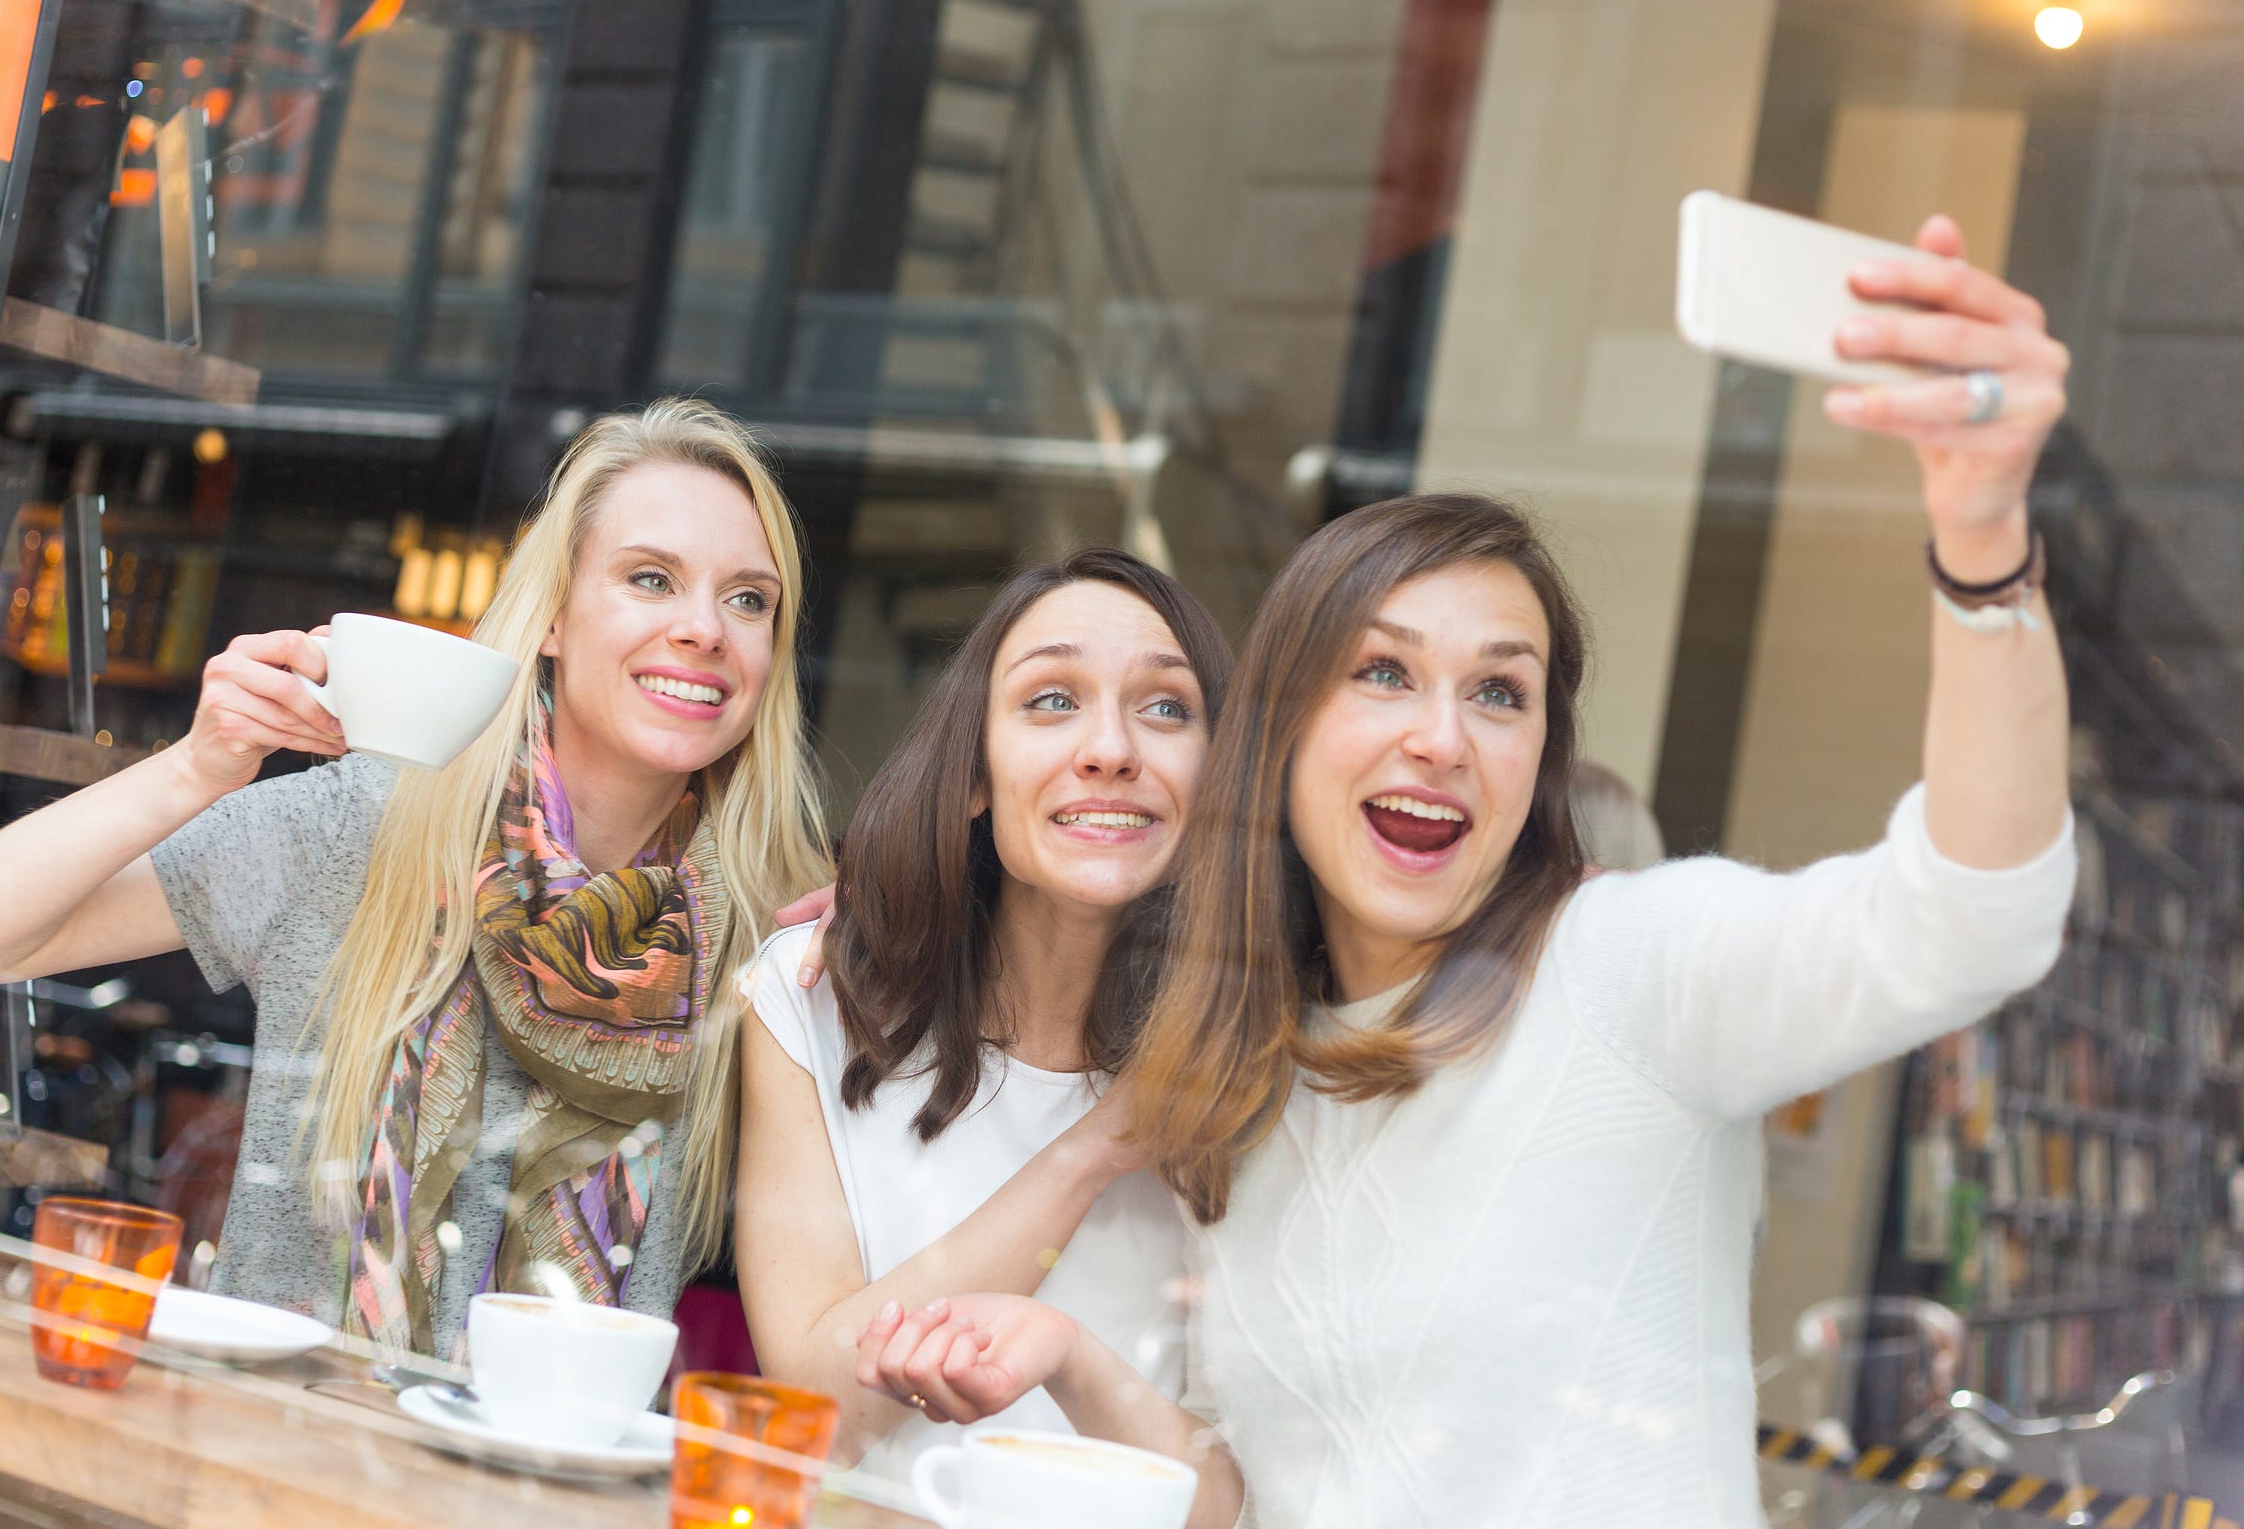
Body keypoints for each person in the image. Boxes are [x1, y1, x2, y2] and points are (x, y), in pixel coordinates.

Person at [855, 215, 2077, 1527]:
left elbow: (1972, 919)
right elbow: (1250, 1507)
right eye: (1383, 673)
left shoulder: (1629, 969)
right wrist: (1074, 1362)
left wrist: (1985, 540)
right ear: (1282, 731)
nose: (1441, 737)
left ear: (1540, 752)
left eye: (1500, 692)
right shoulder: (1249, 1077)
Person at [0, 399, 829, 1359]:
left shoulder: (774, 935)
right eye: (650, 578)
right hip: (279, 1463)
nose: (704, 629)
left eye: (748, 599)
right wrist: (195, 768)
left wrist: (889, 934)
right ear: (551, 615)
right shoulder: (371, 824)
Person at [733, 549, 1232, 1476]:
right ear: (973, 776)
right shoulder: (812, 1006)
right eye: (1051, 699)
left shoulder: (1255, 1073)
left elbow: (1224, 1504)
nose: (1112, 749)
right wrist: (1094, 1151)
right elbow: (814, 1411)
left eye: (1167, 708)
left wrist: (1071, 1359)